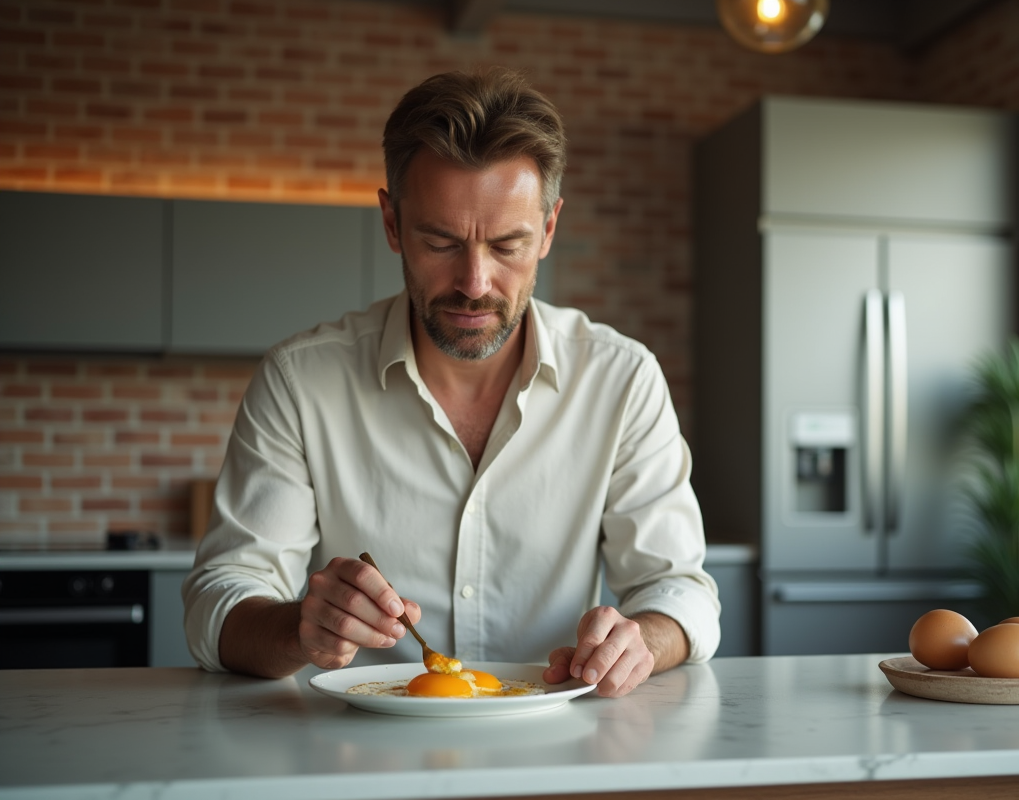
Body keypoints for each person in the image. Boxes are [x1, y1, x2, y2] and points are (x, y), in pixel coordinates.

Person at [182, 67, 720, 698]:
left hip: (557, 756)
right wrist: (300, 631)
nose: (474, 282)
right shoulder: (300, 382)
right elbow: (217, 604)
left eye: (507, 245)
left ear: (548, 230)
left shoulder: (622, 379)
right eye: (440, 242)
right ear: (391, 224)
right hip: (357, 759)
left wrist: (640, 640)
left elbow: (681, 592)